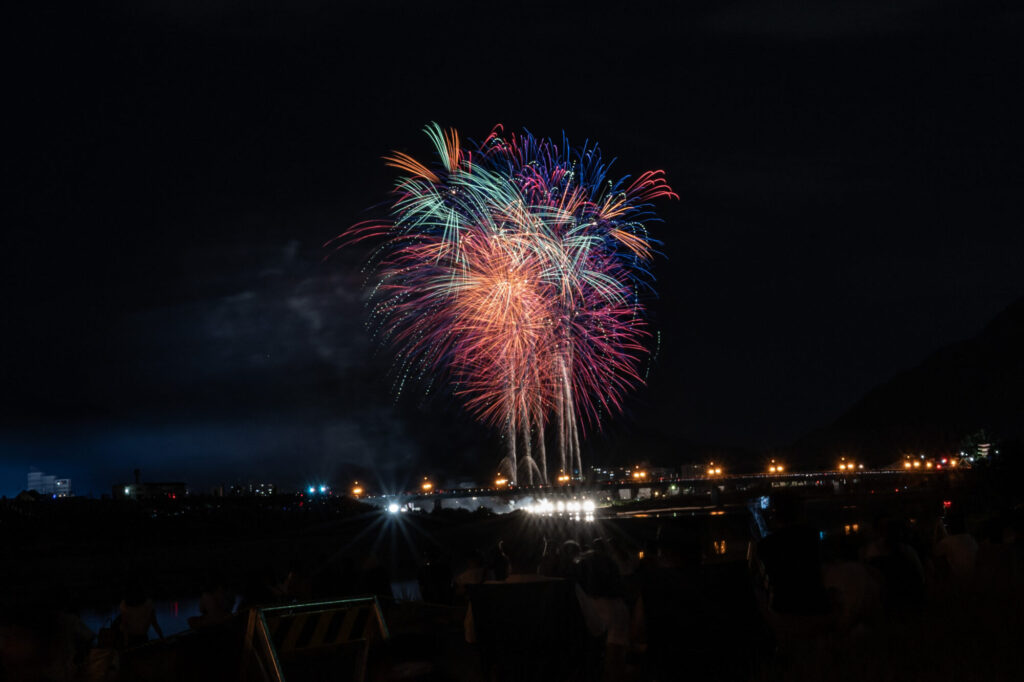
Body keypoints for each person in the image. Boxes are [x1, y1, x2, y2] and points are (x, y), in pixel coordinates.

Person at [118, 582, 163, 647]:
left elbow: (125, 626)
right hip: (141, 637)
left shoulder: (124, 605)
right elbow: (155, 624)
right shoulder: (148, 604)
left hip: (131, 637)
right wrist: (162, 638)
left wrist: (126, 642)